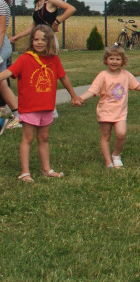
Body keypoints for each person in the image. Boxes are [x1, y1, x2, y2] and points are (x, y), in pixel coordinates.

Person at [0, 25, 82, 181]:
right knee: (28, 138)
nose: (39, 42)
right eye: (36, 39)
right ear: (32, 41)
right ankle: (25, 172)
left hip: (47, 107)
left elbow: (63, 77)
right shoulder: (25, 58)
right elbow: (9, 72)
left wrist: (74, 95)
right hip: (29, 108)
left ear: (50, 41)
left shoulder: (54, 59)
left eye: (43, 40)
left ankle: (47, 169)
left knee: (44, 138)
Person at [73, 45, 140, 168]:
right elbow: (93, 90)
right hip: (105, 111)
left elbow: (136, 86)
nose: (114, 62)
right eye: (111, 59)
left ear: (122, 61)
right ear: (106, 60)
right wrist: (80, 98)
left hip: (120, 112)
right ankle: (108, 162)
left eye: (117, 59)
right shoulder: (102, 75)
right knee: (106, 136)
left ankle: (115, 154)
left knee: (121, 134)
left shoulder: (126, 75)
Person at [9, 0, 76, 45]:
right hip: (38, 40)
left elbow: (71, 9)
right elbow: (34, 26)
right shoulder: (37, 3)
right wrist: (18, 36)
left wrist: (57, 22)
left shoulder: (51, 0)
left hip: (49, 40)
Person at [0, 0, 19, 132]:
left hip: (1, 48)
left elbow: (1, 31)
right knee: (1, 83)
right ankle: (18, 115)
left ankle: (18, 115)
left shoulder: (1, 4)